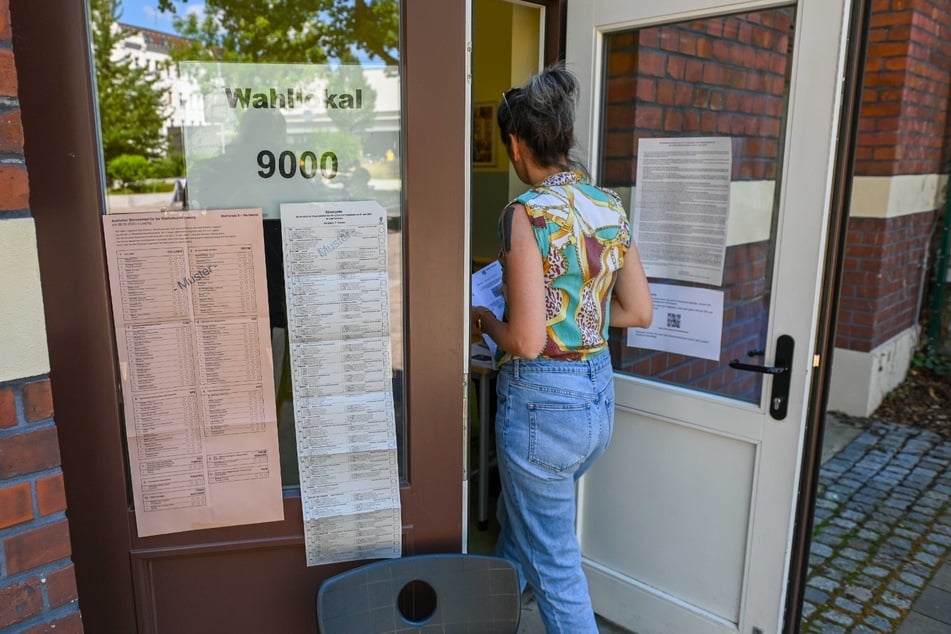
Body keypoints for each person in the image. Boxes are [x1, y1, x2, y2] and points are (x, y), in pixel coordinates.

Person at [471, 64, 653, 633]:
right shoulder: (608, 207)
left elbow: (526, 341)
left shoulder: (526, 214)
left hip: (545, 405)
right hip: (596, 400)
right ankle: (491, 616)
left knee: (556, 566)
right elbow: (638, 311)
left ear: (516, 144)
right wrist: (579, 318)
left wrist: (482, 319)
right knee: (519, 519)